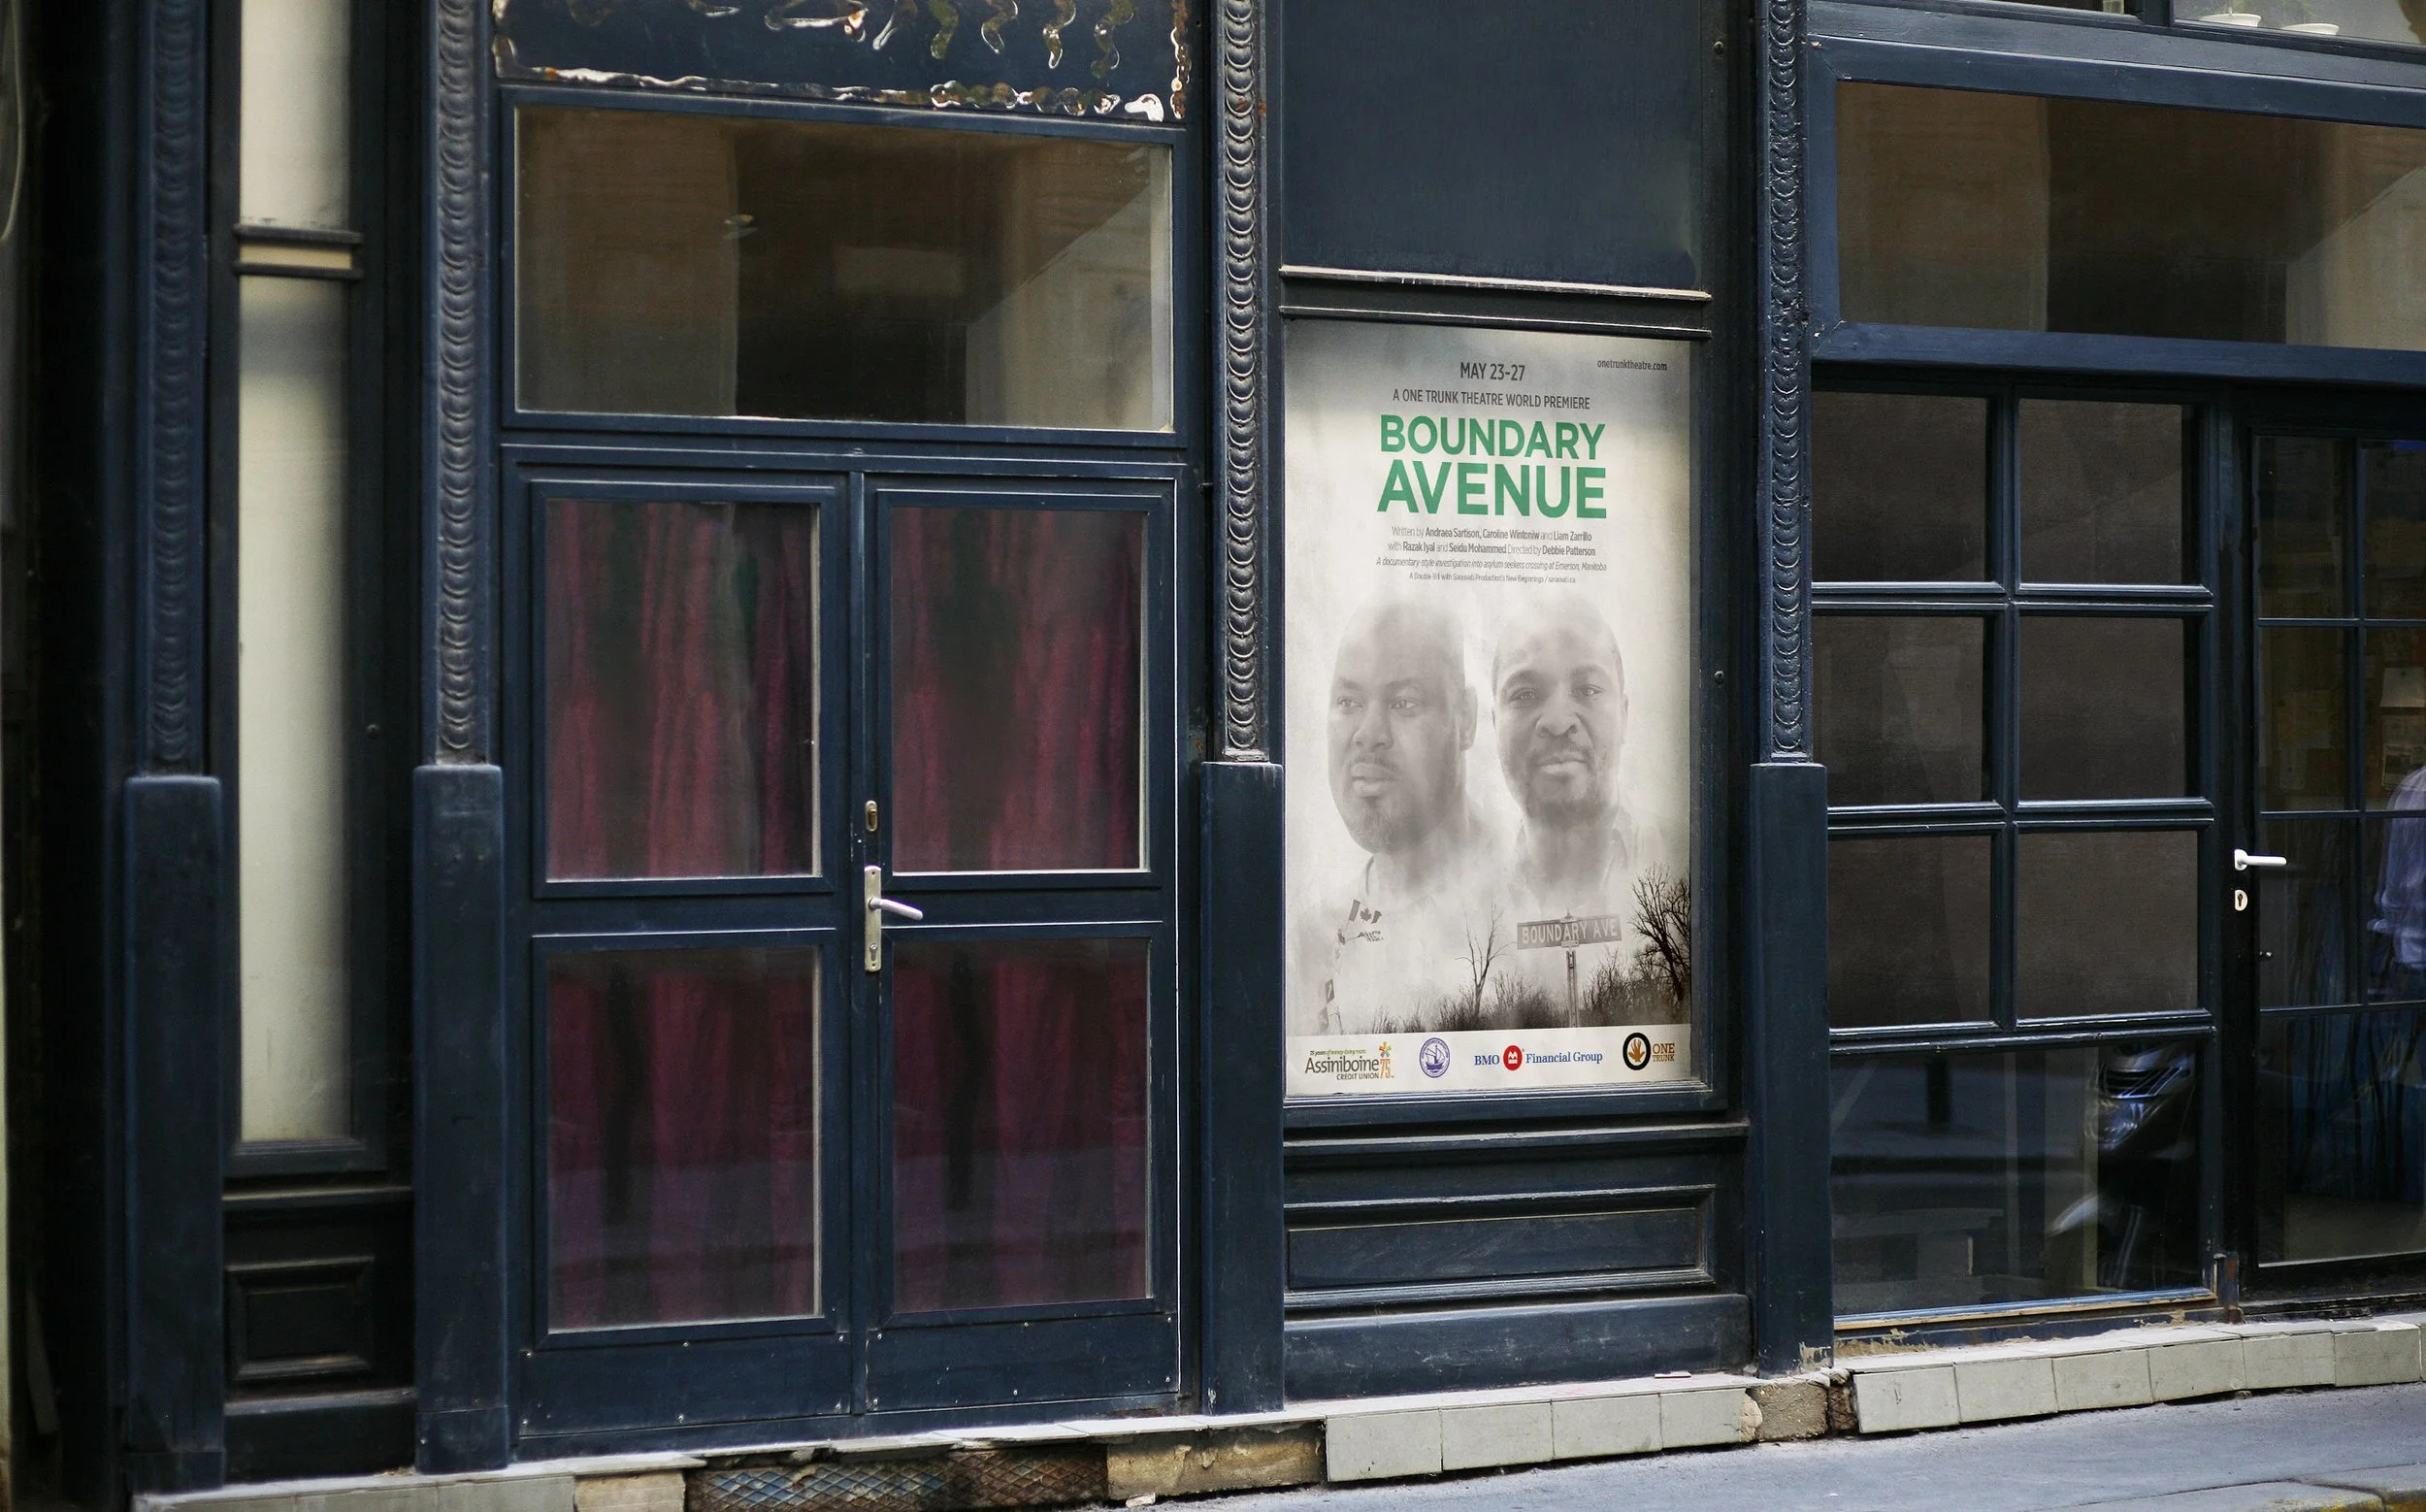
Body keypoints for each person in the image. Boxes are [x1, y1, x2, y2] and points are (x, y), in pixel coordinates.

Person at [1298, 594, 1501, 1035]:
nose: (1369, 736)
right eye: (1349, 702)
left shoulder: (1529, 892)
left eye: (1403, 703)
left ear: (1465, 719)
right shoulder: (1311, 937)